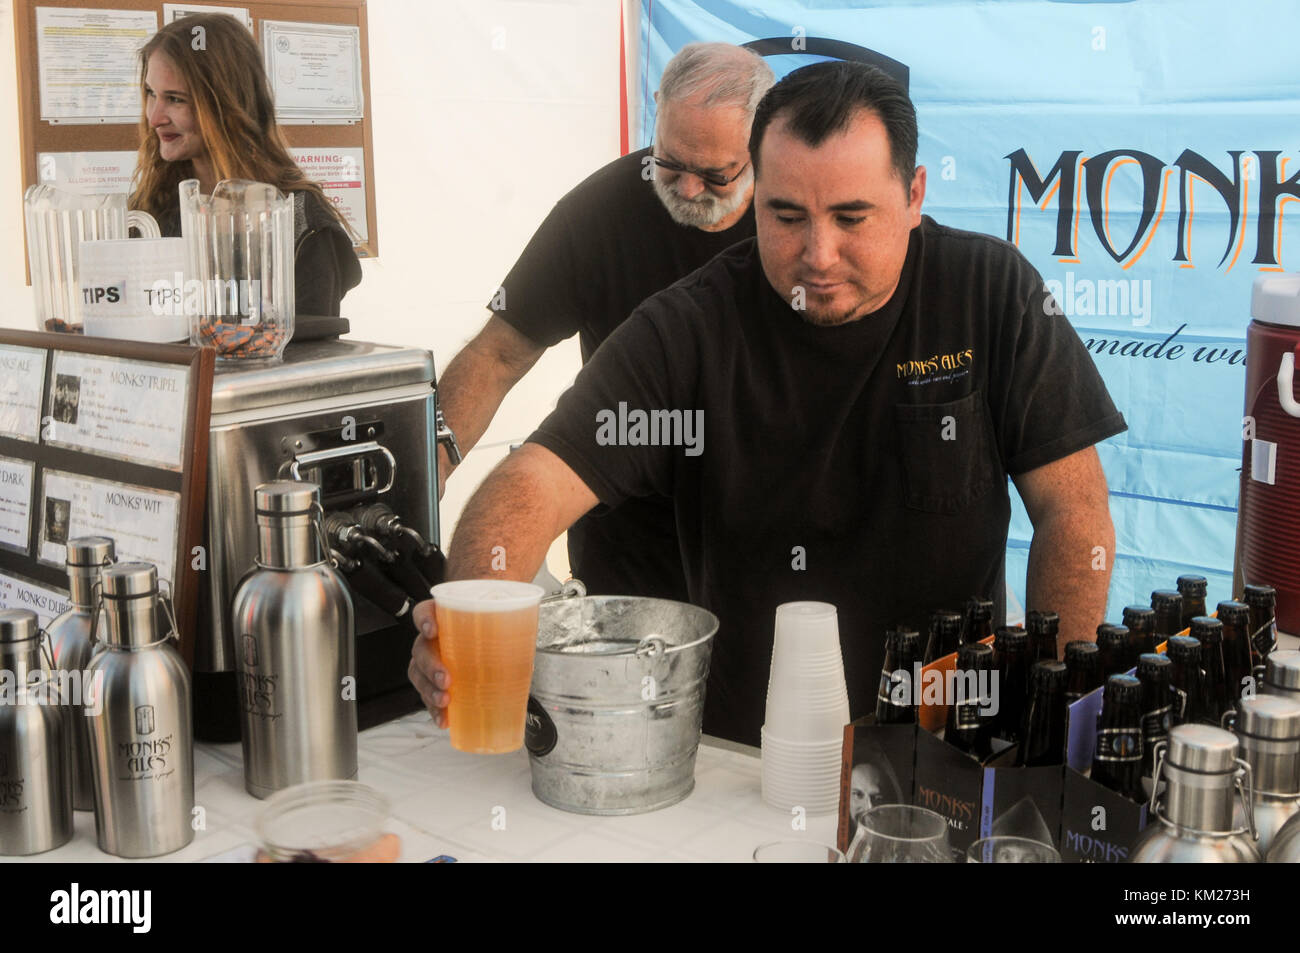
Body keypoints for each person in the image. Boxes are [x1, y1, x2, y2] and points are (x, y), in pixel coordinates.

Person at [409, 61, 1125, 746]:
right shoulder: (692, 326)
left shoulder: (990, 294)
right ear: (756, 194)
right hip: (740, 761)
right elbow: (534, 480)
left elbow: (1073, 511)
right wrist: (465, 621)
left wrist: (1050, 702)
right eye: (786, 216)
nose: (817, 253)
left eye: (851, 217)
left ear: (913, 196)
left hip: (946, 743)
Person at [433, 43, 773, 601]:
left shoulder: (792, 216)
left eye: (715, 174)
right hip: (626, 525)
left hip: (759, 518)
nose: (687, 190)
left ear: (763, 143)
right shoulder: (601, 211)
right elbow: (497, 355)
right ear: (657, 108)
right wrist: (436, 460)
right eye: (671, 163)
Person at [129, 14, 361, 317]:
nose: (154, 117)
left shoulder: (299, 221)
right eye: (151, 94)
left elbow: (309, 355)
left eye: (175, 99)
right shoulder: (150, 209)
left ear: (226, 104)